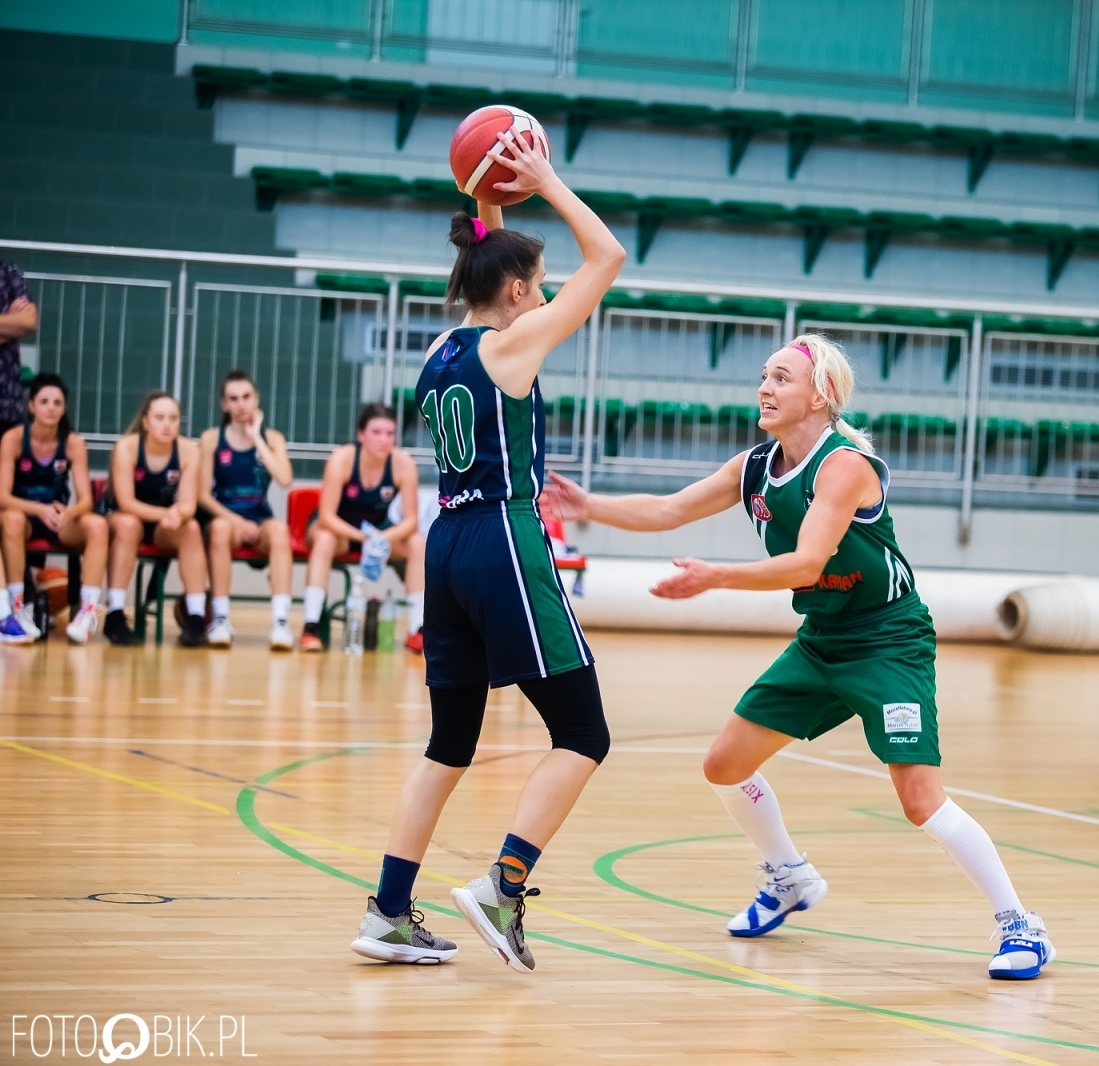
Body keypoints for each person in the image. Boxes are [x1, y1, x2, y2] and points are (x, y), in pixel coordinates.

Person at [542, 334, 1057, 980]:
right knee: (724, 764)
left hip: (887, 640)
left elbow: (807, 562)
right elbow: (671, 508)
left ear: (822, 394)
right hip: (823, 639)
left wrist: (715, 578)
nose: (764, 387)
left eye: (781, 377)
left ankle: (1021, 925)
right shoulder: (755, 466)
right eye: (763, 375)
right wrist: (590, 507)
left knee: (920, 799)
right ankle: (789, 876)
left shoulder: (845, 466)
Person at [349, 129, 625, 967]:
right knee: (583, 732)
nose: (546, 298)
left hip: (448, 546)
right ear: (512, 291)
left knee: (450, 744)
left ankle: (389, 913)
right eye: (537, 286)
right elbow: (607, 256)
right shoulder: (517, 344)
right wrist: (547, 178)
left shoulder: (441, 351)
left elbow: (485, 252)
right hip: (506, 538)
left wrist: (488, 192)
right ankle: (502, 888)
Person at [298, 404, 424, 653]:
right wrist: (363, 537)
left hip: (377, 529)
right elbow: (326, 516)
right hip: (340, 529)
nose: (384, 440)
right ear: (361, 435)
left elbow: (411, 521)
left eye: (390, 434)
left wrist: (381, 537)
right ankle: (310, 627)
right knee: (324, 539)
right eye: (376, 432)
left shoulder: (403, 464)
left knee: (418, 543)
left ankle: (418, 629)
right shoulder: (342, 459)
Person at [0, 374, 110, 643]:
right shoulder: (14, 438)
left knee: (97, 524)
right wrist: (38, 509)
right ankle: (16, 608)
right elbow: (2, 496)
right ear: (31, 406)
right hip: (25, 516)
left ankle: (86, 612)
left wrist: (69, 513)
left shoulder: (72, 442)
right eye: (44, 401)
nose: (51, 407)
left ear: (64, 408)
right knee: (11, 519)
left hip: (59, 520)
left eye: (57, 403)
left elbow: (86, 500)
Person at [102, 392, 209, 647]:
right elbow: (126, 502)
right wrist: (167, 513)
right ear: (146, 422)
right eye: (159, 418)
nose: (167, 424)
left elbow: (189, 504)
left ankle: (196, 617)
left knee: (192, 528)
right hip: (126, 518)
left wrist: (178, 515)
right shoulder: (127, 447)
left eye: (173, 418)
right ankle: (115, 614)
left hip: (164, 525)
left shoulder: (188, 451)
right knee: (129, 524)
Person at [197, 370, 294, 649]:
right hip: (226, 517)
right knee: (218, 529)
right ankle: (221, 619)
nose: (241, 404)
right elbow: (203, 496)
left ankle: (281, 623)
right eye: (233, 399)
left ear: (256, 399)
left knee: (279, 531)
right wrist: (236, 521)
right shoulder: (212, 439)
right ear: (224, 404)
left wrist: (257, 438)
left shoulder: (272, 438)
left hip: (259, 518)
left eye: (246, 397)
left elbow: (285, 479)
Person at [0, 261, 37, 437]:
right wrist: (11, 320)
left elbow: (28, 322)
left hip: (6, 403)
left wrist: (19, 320)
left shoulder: (8, 273)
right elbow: (19, 323)